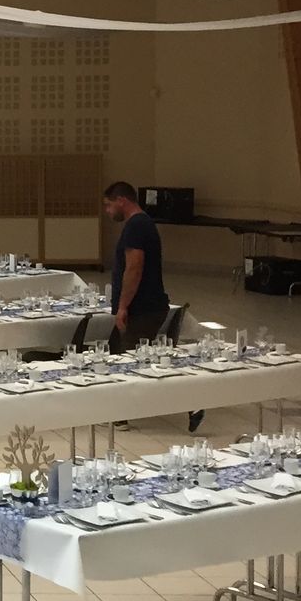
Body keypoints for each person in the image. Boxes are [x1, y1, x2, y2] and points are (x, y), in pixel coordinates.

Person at [102, 181, 189, 429]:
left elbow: (134, 268)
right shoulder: (142, 223)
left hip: (142, 307)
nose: (108, 212)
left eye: (109, 206)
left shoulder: (136, 226)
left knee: (125, 359)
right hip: (148, 305)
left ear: (122, 200)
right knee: (118, 352)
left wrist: (123, 306)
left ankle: (120, 416)